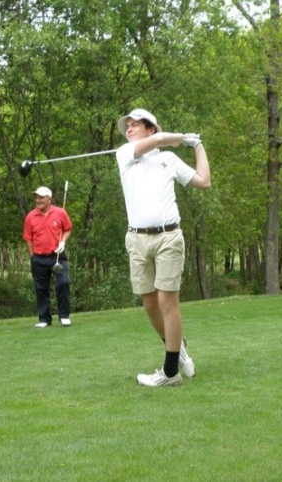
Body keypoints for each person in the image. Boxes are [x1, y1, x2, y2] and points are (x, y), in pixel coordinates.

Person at [115, 108, 211, 387]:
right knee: (149, 303)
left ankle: (170, 372)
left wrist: (197, 145)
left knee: (167, 302)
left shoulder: (169, 160)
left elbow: (204, 182)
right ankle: (176, 346)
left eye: (135, 125)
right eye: (128, 126)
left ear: (151, 128)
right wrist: (178, 137)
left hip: (168, 237)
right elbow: (158, 142)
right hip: (137, 239)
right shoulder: (125, 154)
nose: (129, 129)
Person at [23, 186, 73, 328]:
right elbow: (28, 238)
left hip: (57, 255)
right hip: (39, 257)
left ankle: (64, 316)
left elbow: (67, 229)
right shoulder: (30, 216)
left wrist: (63, 242)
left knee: (63, 283)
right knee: (41, 288)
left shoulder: (60, 213)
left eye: (41, 197)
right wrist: (32, 257)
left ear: (49, 199)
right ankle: (44, 319)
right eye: (36, 197)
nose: (38, 200)